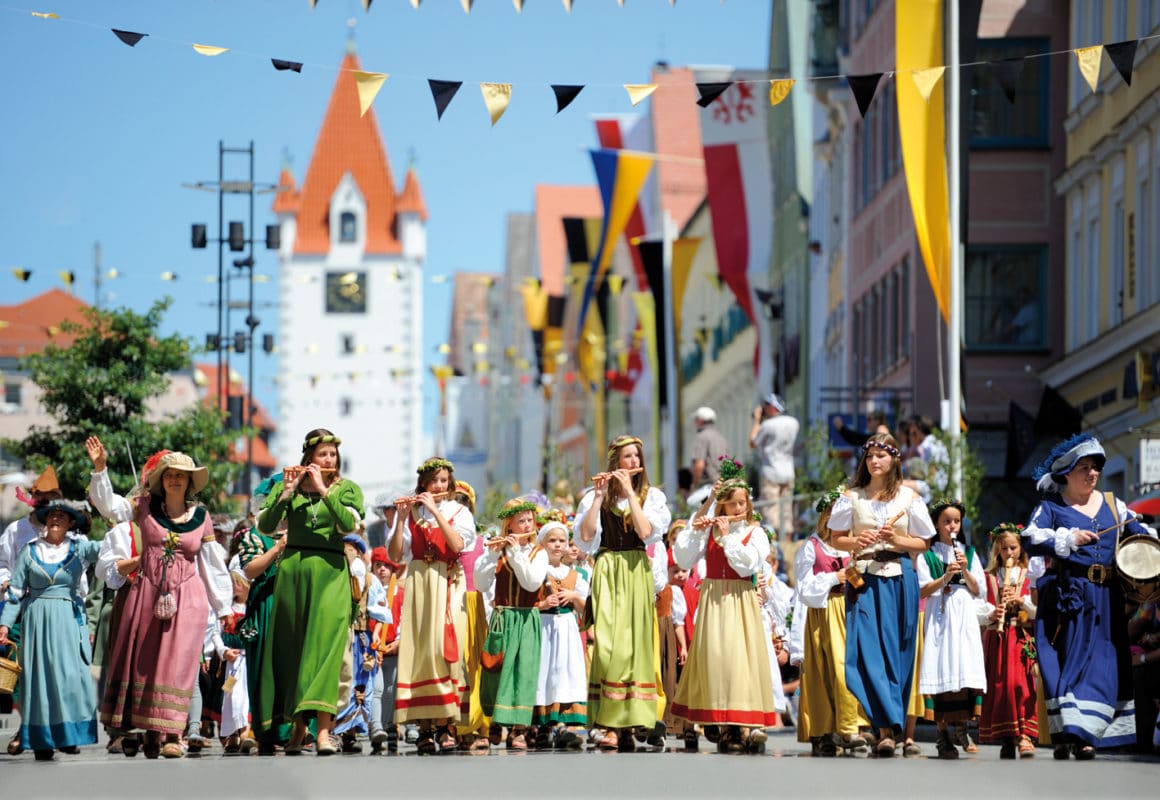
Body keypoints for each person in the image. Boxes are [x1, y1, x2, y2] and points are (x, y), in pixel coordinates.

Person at [85, 437, 233, 760]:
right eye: (169, 474)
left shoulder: (201, 517)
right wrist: (100, 469)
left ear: (190, 480)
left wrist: (223, 607)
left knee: (179, 664)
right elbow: (109, 505)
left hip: (188, 599)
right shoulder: (143, 508)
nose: (175, 479)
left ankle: (172, 734)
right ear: (161, 480)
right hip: (147, 593)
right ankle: (150, 731)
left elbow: (210, 563)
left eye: (181, 474)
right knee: (148, 665)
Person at [1023, 433, 1155, 759]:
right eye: (1085, 467)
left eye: (1096, 467)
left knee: (1104, 667)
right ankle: (1071, 732)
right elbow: (1030, 537)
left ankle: (1085, 736)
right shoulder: (1051, 507)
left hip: (1107, 600)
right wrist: (1068, 537)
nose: (1092, 473)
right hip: (1069, 598)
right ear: (1066, 472)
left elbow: (1141, 537)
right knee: (1070, 666)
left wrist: (1148, 540)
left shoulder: (1113, 505)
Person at [254, 429, 364, 757]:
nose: (328, 460)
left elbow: (348, 526)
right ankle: (298, 730)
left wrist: (322, 490)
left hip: (330, 574)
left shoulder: (347, 489)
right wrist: (286, 493)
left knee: (326, 651)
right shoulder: (290, 488)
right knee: (295, 652)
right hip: (294, 574)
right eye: (322, 455)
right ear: (309, 459)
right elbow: (265, 526)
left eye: (332, 455)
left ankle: (324, 733)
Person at [829, 433, 936, 757]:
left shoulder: (909, 497)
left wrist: (897, 540)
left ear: (894, 460)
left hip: (900, 577)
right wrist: (857, 542)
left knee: (899, 652)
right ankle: (886, 728)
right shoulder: (852, 497)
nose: (875, 461)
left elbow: (924, 542)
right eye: (870, 456)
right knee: (864, 651)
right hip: (865, 579)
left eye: (882, 456)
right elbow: (836, 538)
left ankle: (889, 729)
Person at [671, 458, 777, 753]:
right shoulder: (709, 529)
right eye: (732, 504)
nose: (739, 509)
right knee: (715, 660)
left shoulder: (754, 532)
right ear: (722, 506)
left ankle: (740, 726)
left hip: (739, 601)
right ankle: (719, 722)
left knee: (737, 661)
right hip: (714, 600)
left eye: (742, 503)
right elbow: (683, 558)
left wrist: (728, 537)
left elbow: (747, 566)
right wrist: (705, 515)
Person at [573, 434, 671, 751]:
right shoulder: (593, 497)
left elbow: (645, 532)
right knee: (607, 645)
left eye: (636, 457)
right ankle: (608, 721)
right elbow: (585, 538)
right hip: (608, 570)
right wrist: (600, 496)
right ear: (615, 462)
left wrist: (630, 493)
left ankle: (628, 722)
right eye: (626, 457)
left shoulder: (650, 496)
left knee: (635, 646)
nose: (632, 462)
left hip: (635, 570)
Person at [388, 456, 476, 754]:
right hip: (419, 580)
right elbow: (396, 555)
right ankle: (424, 727)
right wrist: (401, 519)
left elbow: (458, 546)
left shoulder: (459, 510)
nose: (440, 485)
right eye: (434, 481)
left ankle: (447, 725)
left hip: (446, 579)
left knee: (444, 648)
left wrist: (437, 511)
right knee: (420, 649)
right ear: (423, 484)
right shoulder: (413, 511)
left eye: (443, 481)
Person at [0, 500, 100, 761]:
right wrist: (5, 624)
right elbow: (15, 592)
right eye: (51, 516)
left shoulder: (80, 548)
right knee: (39, 678)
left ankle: (68, 735)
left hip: (67, 616)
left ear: (71, 523)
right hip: (36, 618)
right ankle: (42, 740)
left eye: (61, 516)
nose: (55, 519)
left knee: (69, 675)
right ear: (45, 522)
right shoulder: (30, 551)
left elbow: (110, 549)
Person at [794, 487, 867, 756]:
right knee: (827, 670)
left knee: (849, 669)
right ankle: (825, 730)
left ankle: (849, 727)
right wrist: (832, 579)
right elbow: (803, 587)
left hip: (850, 610)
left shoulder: (851, 546)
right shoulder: (811, 548)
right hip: (824, 613)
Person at [473, 499, 549, 750]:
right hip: (503, 618)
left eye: (530, 520)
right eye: (521, 521)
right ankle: (497, 720)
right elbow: (481, 584)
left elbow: (531, 583)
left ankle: (519, 729)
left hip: (527, 618)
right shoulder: (499, 551)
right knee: (496, 670)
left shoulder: (539, 553)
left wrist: (516, 554)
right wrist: (492, 555)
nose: (527, 524)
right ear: (509, 527)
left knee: (523, 673)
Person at [916, 498, 986, 759]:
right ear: (936, 524)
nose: (952, 526)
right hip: (941, 618)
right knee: (941, 666)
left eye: (956, 521)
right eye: (946, 521)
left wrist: (965, 571)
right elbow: (923, 590)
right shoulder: (928, 554)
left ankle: (962, 725)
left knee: (963, 667)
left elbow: (979, 590)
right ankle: (942, 733)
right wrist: (945, 576)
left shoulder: (967, 552)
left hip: (964, 616)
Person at [978, 522, 1039, 759]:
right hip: (998, 637)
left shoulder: (1028, 575)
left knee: (1020, 684)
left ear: (1021, 549)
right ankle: (1007, 738)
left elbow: (1038, 610)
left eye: (1013, 548)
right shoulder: (989, 576)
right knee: (1000, 687)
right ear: (998, 550)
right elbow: (978, 607)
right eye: (1005, 549)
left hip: (1020, 636)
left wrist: (1021, 601)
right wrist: (992, 613)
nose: (1010, 553)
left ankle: (1025, 736)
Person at [531, 514, 588, 749]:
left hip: (566, 629)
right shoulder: (537, 571)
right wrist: (543, 604)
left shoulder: (575, 575)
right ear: (542, 544)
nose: (557, 545)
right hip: (544, 627)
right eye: (551, 540)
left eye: (561, 541)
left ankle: (563, 724)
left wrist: (573, 596)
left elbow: (587, 609)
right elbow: (526, 603)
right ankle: (541, 725)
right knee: (543, 672)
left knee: (565, 672)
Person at [369, 546, 405, 752]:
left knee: (391, 690)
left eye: (386, 566)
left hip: (392, 647)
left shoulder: (400, 593)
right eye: (378, 565)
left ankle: (391, 725)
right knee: (377, 688)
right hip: (374, 649)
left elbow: (403, 618)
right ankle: (376, 727)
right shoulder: (370, 591)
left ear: (393, 569)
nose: (382, 570)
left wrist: (398, 641)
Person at [749, 393, 799, 538]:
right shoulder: (793, 422)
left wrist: (757, 420)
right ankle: (787, 545)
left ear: (771, 407)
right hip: (788, 471)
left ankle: (776, 547)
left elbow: (752, 442)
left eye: (765, 407)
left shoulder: (767, 425)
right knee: (787, 512)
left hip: (770, 471)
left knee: (771, 512)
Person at [689, 407, 730, 489]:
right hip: (722, 483)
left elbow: (699, 464)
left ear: (700, 421)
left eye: (695, 420)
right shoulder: (720, 437)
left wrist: (695, 486)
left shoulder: (702, 437)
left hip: (708, 486)